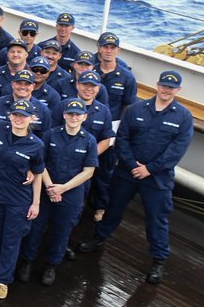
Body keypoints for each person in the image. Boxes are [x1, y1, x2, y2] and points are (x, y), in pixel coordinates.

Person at [77, 69, 193, 283]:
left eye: (171, 87)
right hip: (127, 173)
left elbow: (177, 150)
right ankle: (99, 238)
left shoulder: (183, 117)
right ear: (157, 85)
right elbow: (122, 138)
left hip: (157, 178)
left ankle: (158, 259)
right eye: (163, 85)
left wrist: (150, 169)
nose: (166, 90)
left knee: (156, 219)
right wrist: (131, 164)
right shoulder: (136, 109)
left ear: (178, 90)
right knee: (113, 208)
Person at [0, 99, 45, 300]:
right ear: (10, 115)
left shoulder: (36, 145)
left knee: (10, 241)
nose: (19, 119)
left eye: (24, 116)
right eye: (16, 115)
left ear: (32, 119)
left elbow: (38, 174)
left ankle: (3, 280)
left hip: (18, 200)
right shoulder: (0, 126)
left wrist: (36, 203)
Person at [18, 100, 98, 286]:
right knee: (36, 228)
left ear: (84, 117)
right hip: (47, 189)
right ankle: (27, 261)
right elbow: (40, 163)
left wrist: (63, 188)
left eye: (78, 114)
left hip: (71, 193)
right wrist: (51, 186)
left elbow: (89, 171)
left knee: (62, 230)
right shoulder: (50, 135)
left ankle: (51, 265)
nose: (73, 117)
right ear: (64, 115)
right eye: (70, 114)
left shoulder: (89, 140)